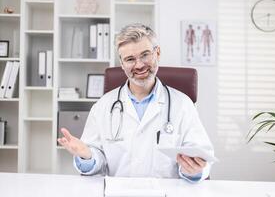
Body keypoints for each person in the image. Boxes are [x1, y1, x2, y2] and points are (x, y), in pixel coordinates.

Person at [57, 23, 214, 182]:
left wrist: (193, 170)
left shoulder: (182, 105)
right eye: (130, 59)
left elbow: (201, 156)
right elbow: (97, 161)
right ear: (122, 63)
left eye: (145, 55)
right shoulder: (103, 106)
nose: (139, 65)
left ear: (157, 53)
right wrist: (87, 156)